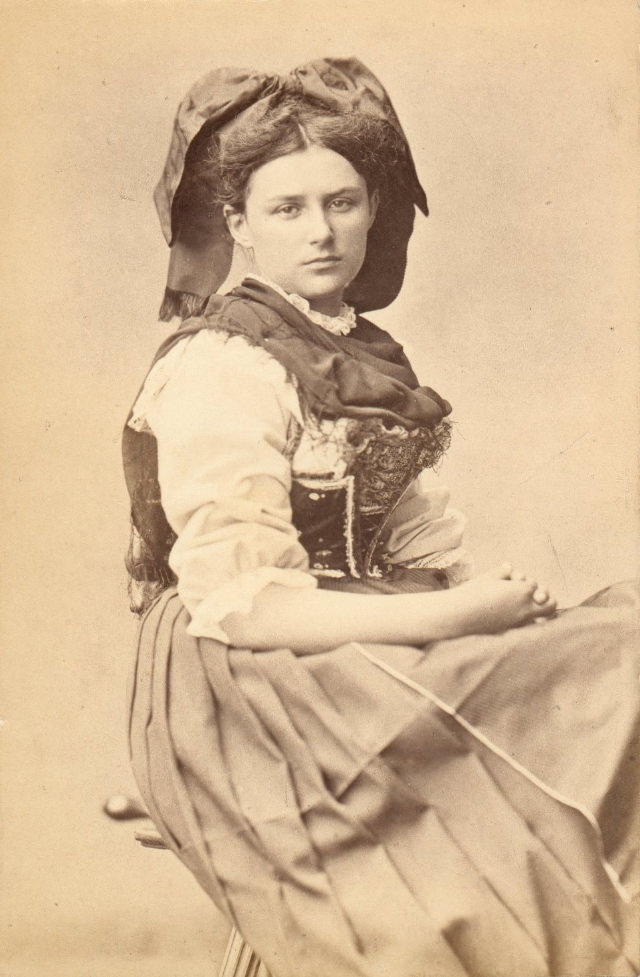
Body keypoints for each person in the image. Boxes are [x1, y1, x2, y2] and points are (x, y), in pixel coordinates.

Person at [123, 59, 639, 977]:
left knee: (616, 646)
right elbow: (244, 602)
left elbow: (417, 543)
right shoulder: (223, 367)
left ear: (374, 208)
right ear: (237, 223)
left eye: (343, 202)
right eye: (288, 209)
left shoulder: (363, 353)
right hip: (249, 663)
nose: (322, 232)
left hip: (356, 635)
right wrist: (449, 620)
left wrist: (492, 619)